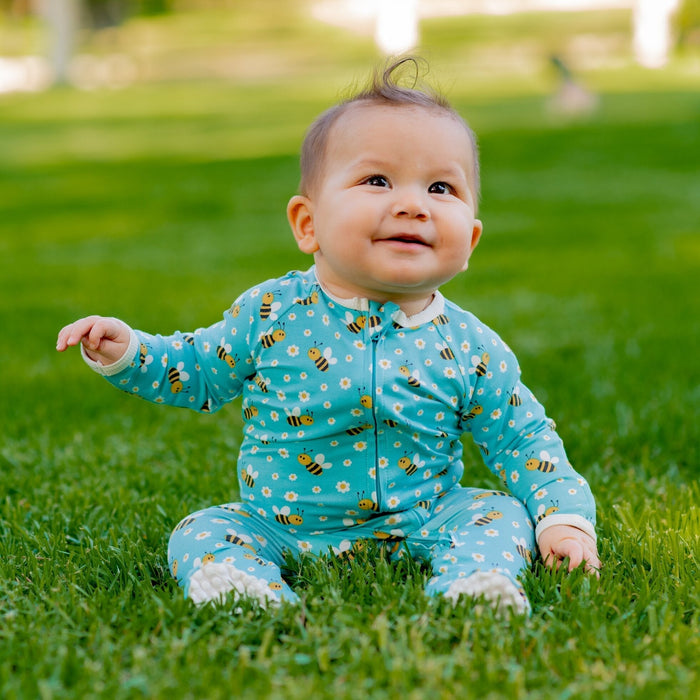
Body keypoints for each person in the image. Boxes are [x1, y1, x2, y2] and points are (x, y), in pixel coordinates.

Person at [56, 58, 600, 615]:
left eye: (441, 187)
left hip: (428, 515)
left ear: (472, 241)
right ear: (307, 224)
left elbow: (523, 438)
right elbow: (199, 369)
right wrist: (129, 352)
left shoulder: (469, 345)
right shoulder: (272, 313)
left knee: (501, 514)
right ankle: (245, 587)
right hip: (283, 524)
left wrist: (563, 518)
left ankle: (472, 584)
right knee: (202, 529)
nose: (413, 204)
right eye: (377, 181)